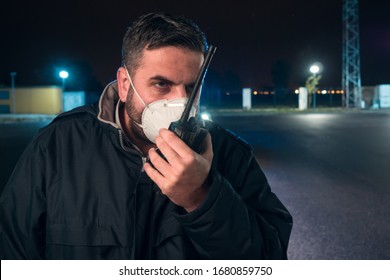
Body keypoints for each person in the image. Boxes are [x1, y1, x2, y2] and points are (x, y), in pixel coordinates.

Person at [0, 12, 292, 260]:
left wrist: (202, 198)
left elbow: (270, 258)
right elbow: (12, 252)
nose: (180, 102)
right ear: (125, 84)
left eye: (192, 87)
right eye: (162, 84)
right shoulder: (57, 146)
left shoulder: (229, 153)